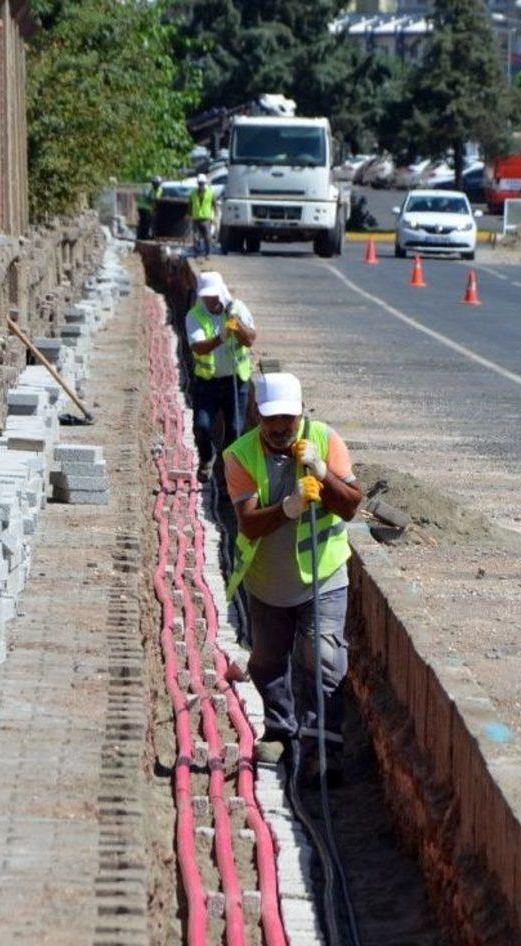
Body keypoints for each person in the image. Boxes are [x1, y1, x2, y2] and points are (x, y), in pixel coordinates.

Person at [223, 372, 362, 784]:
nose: (281, 428)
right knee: (267, 661)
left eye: (288, 418)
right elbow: (247, 524)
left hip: (324, 574)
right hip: (269, 580)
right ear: (259, 418)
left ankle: (325, 746)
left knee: (323, 655)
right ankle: (281, 731)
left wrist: (323, 473)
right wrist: (288, 507)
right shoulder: (240, 456)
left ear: (301, 412)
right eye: (272, 420)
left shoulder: (325, 440)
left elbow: (352, 506)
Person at [185, 271, 256, 482]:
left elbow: (250, 339)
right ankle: (207, 457)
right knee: (202, 426)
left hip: (236, 380)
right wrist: (221, 337)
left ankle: (229, 479)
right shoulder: (195, 316)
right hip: (208, 384)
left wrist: (237, 325)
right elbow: (198, 348)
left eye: (214, 296)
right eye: (206, 297)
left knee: (235, 432)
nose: (211, 300)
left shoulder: (237, 310)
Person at [189, 173, 216, 258]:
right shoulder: (193, 193)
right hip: (196, 217)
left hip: (206, 218)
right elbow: (190, 204)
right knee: (196, 236)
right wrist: (188, 214)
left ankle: (207, 253)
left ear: (205, 184)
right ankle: (196, 251)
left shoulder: (210, 193)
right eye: (199, 183)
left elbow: (214, 205)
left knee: (207, 237)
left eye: (202, 183)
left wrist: (214, 216)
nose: (201, 185)